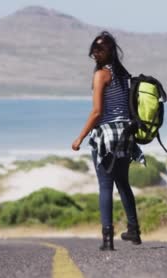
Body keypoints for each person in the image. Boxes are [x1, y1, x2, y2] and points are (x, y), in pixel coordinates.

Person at [71, 31, 145, 251]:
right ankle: (134, 230)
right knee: (123, 182)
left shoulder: (101, 75)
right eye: (94, 48)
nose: (95, 53)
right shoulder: (123, 74)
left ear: (110, 51)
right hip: (126, 135)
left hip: (107, 135)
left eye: (100, 49)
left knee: (105, 185)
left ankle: (107, 239)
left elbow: (96, 112)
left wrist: (80, 137)